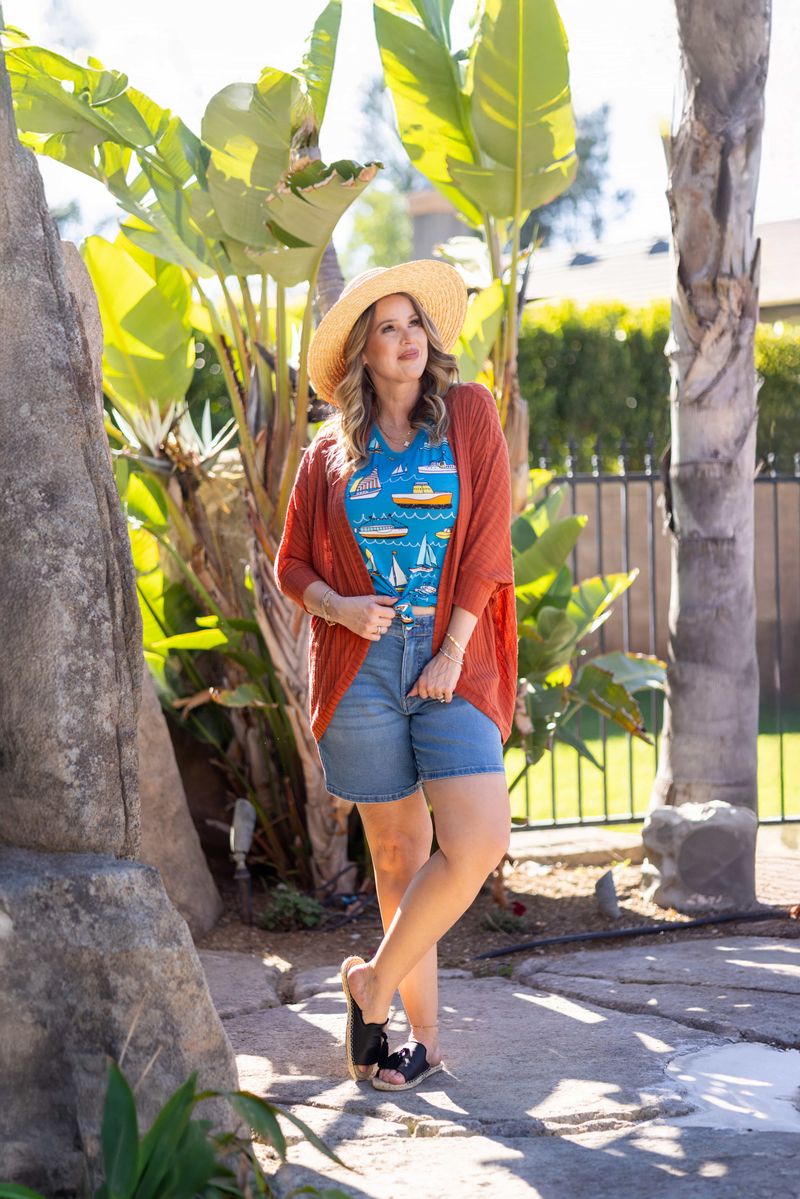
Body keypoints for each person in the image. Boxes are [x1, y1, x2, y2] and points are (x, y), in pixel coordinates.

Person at [275, 259, 517, 1091]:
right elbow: (291, 566)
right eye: (389, 328)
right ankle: (420, 1041)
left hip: (450, 656)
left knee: (480, 836)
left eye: (416, 324)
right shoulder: (328, 454)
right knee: (396, 851)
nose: (408, 339)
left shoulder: (471, 415)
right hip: (364, 672)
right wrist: (338, 609)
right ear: (363, 355)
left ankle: (370, 984)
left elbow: (488, 542)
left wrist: (453, 648)